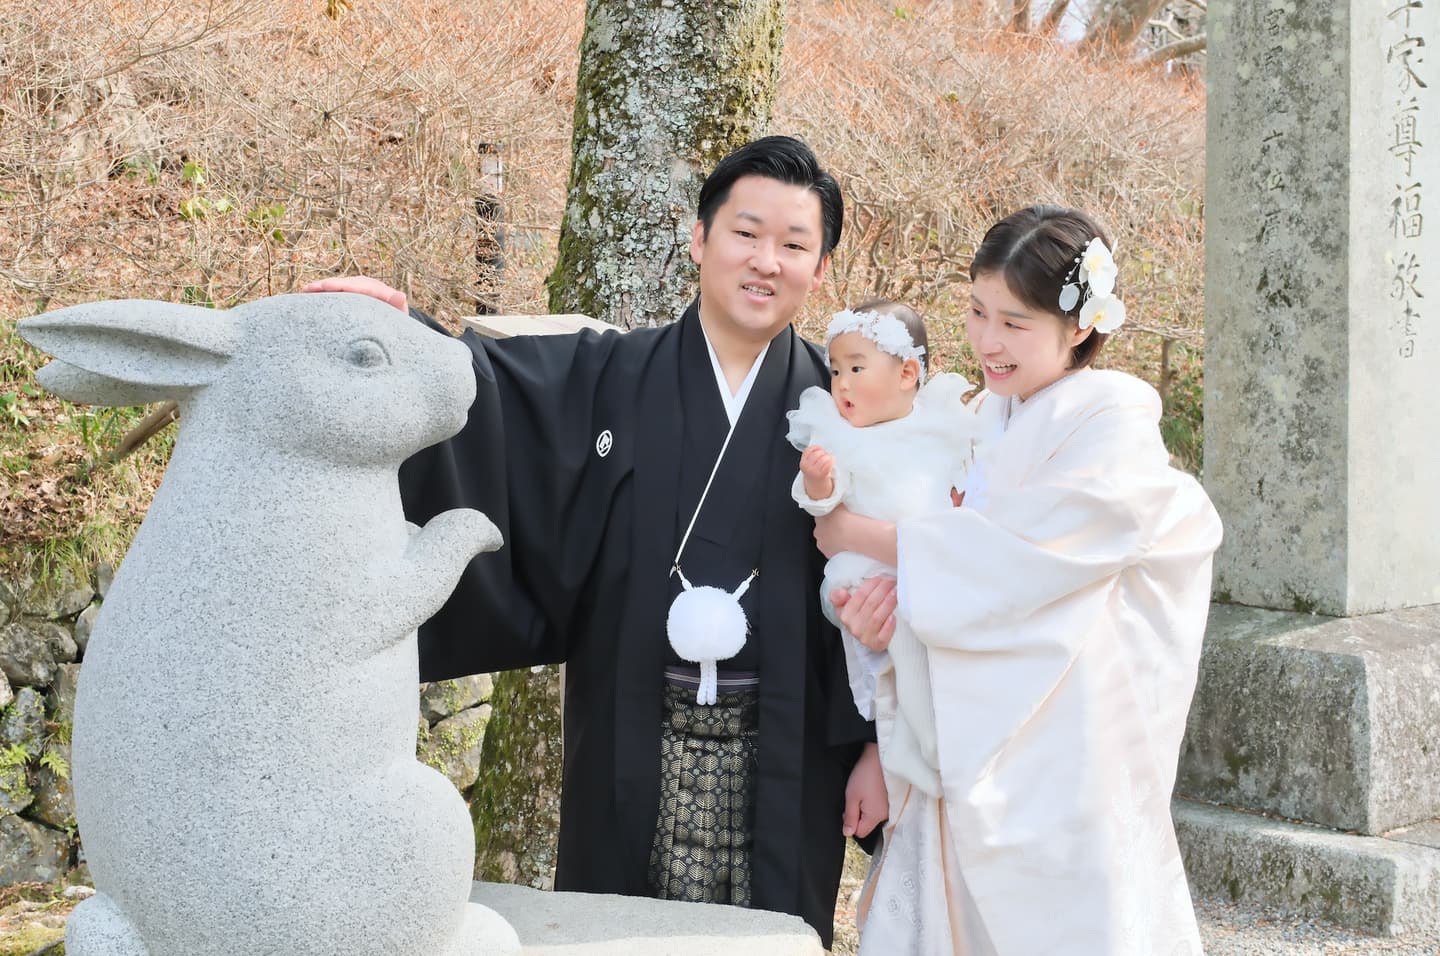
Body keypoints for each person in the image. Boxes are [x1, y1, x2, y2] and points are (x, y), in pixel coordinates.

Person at [304, 136, 886, 947]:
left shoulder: (848, 412)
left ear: (820, 270)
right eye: (746, 234)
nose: (767, 261)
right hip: (632, 726)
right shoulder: (609, 374)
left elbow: (894, 588)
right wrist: (398, 330)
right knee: (616, 934)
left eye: (795, 245)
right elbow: (488, 391)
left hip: (787, 747)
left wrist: (876, 746)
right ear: (700, 239)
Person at [817, 205, 1223, 955]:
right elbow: (959, 564)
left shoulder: (1110, 424)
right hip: (968, 727)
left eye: (1016, 322)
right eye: (976, 311)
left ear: (1079, 327)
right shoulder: (985, 418)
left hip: (1067, 740)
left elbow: (1016, 563)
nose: (989, 342)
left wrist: (856, 537)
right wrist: (891, 617)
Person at [785, 300, 978, 813]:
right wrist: (818, 480)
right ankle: (883, 741)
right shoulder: (839, 437)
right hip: (862, 575)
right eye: (835, 370)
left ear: (908, 373)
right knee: (874, 667)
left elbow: (958, 493)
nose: (841, 384)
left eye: (856, 369)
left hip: (931, 577)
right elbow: (823, 507)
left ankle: (917, 746)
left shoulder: (941, 428)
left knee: (926, 672)